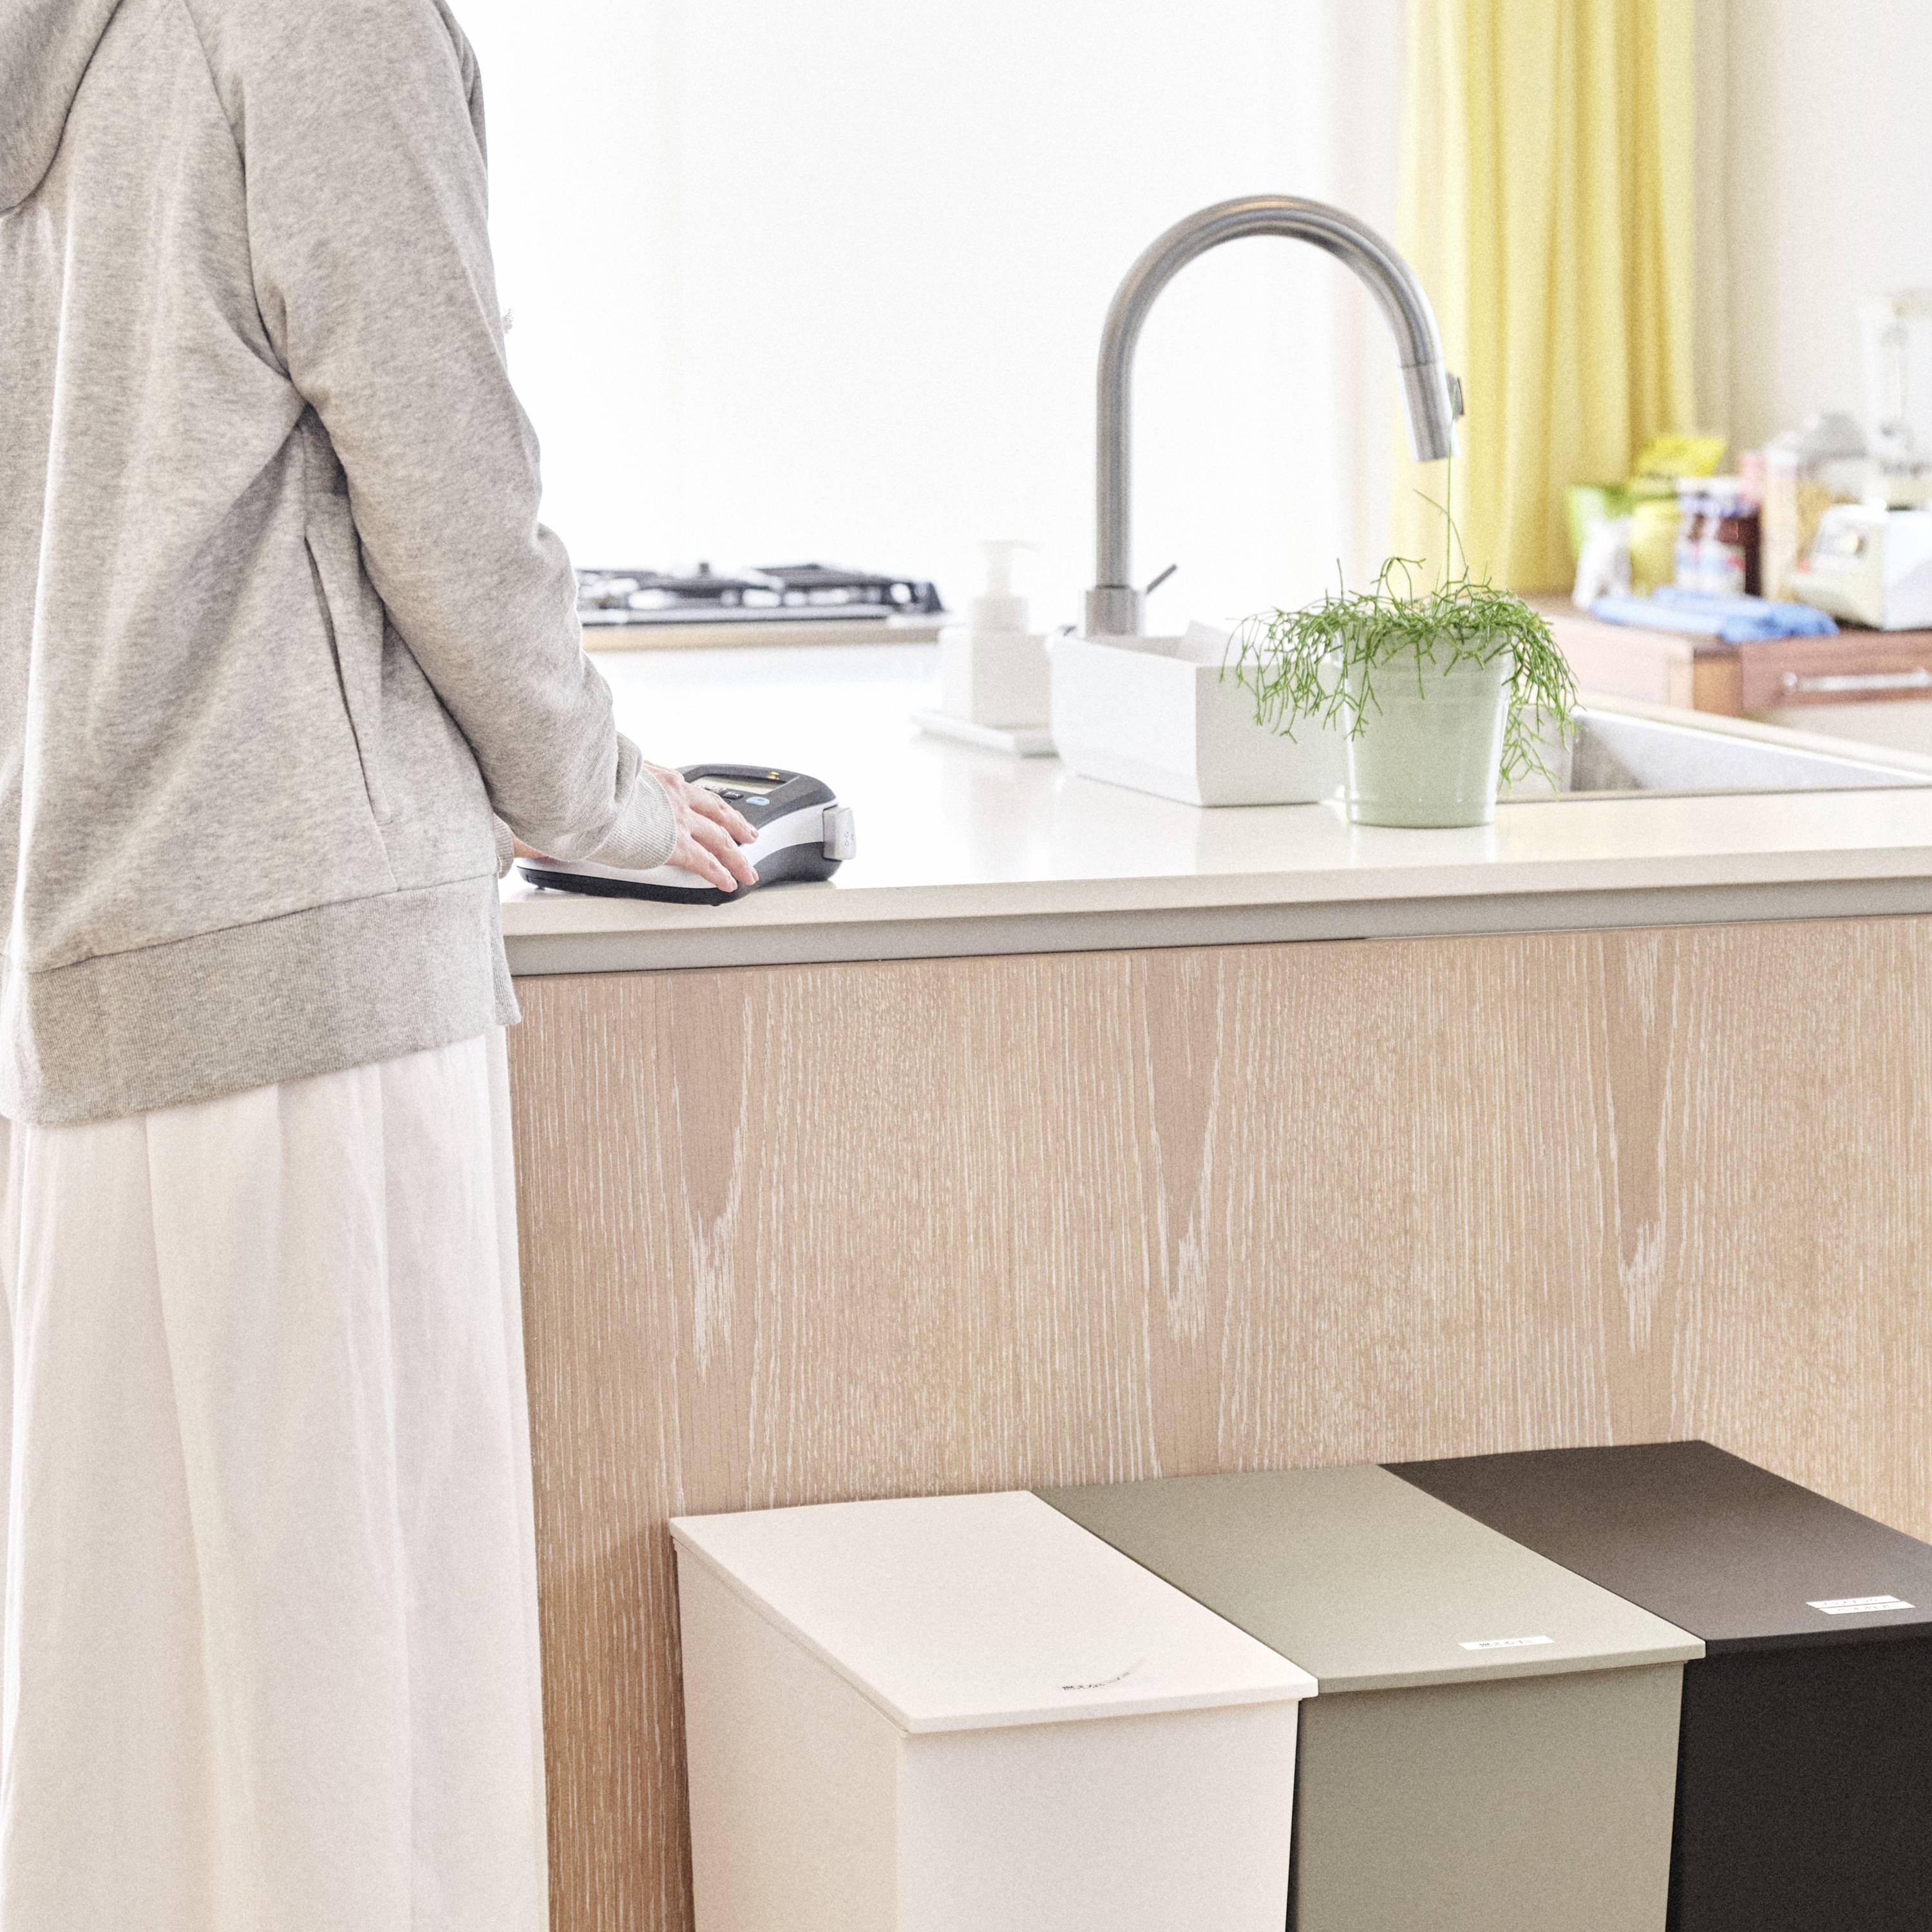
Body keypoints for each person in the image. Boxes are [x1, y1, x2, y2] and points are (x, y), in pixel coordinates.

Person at [0, 1, 750, 1924]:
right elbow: (445, 476)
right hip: (311, 978)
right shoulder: (316, 20)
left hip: (95, 961)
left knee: (140, 1755)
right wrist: (597, 796)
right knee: (373, 1739)